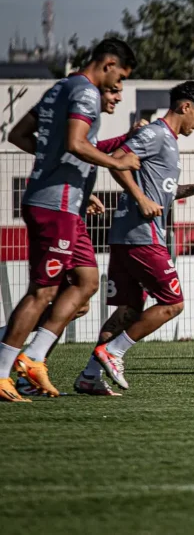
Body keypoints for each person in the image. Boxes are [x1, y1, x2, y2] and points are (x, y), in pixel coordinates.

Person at [0, 39, 140, 403]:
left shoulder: (58, 88)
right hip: (55, 206)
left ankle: (33, 358)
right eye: (119, 78)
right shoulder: (86, 93)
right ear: (108, 64)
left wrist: (70, 172)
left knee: (86, 282)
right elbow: (77, 143)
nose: (116, 87)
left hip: (66, 202)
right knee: (43, 291)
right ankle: (2, 370)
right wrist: (116, 163)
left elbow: (19, 135)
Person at [85, 81, 194, 391]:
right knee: (174, 303)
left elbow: (162, 195)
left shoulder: (169, 141)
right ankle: (113, 352)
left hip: (127, 235)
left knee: (129, 310)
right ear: (184, 107)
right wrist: (140, 199)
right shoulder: (157, 134)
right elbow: (117, 161)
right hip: (142, 236)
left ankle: (91, 375)